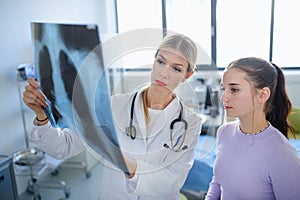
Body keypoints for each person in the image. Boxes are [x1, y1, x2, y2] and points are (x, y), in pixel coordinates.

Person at [23, 33, 203, 199]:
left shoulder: (190, 123)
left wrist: (121, 160)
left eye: (176, 69)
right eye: (161, 62)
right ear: (154, 60)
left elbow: (172, 182)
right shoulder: (115, 105)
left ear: (187, 75)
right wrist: (42, 116)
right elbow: (64, 146)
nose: (163, 73)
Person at [205, 57, 300, 200]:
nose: (224, 97)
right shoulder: (224, 132)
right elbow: (218, 181)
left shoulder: (282, 154)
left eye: (234, 89)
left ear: (263, 95)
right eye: (224, 89)